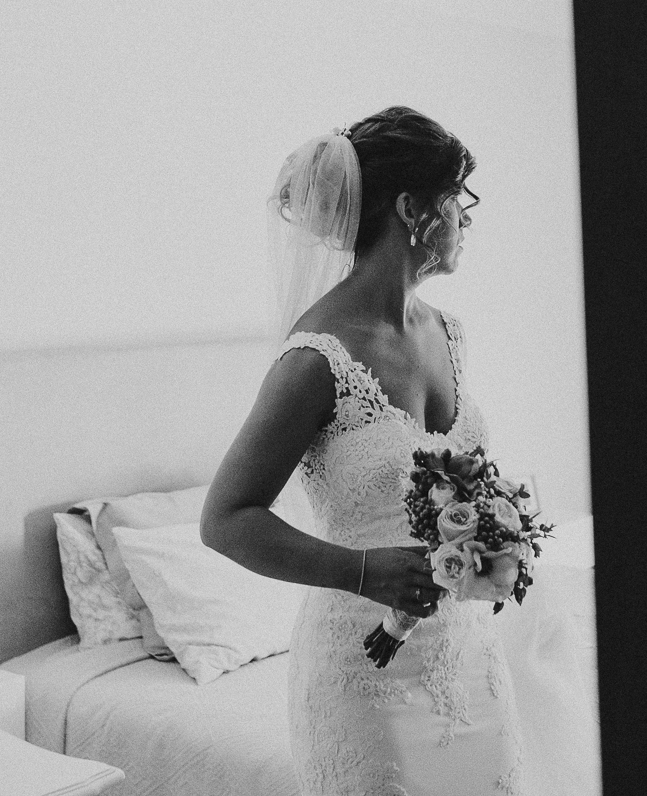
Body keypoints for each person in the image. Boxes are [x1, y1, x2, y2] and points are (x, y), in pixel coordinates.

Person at [201, 106, 528, 795]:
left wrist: (498, 532)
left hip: (467, 660)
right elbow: (226, 517)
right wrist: (361, 569)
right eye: (457, 199)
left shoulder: (450, 332)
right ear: (413, 207)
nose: (467, 219)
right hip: (365, 677)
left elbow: (456, 475)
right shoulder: (316, 355)